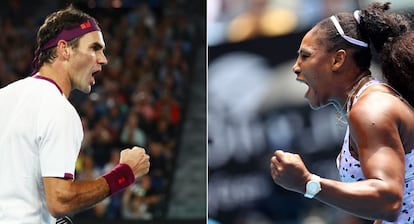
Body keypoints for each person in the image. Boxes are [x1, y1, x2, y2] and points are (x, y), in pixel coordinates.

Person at [0, 5, 150, 224]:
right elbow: (60, 200)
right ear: (65, 49)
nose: (103, 59)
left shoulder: (4, 96)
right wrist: (124, 173)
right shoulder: (58, 109)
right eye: (95, 48)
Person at [270, 2, 414, 223]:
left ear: (337, 60)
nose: (296, 67)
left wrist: (307, 183)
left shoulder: (371, 110)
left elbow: (389, 201)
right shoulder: (366, 104)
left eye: (305, 56)